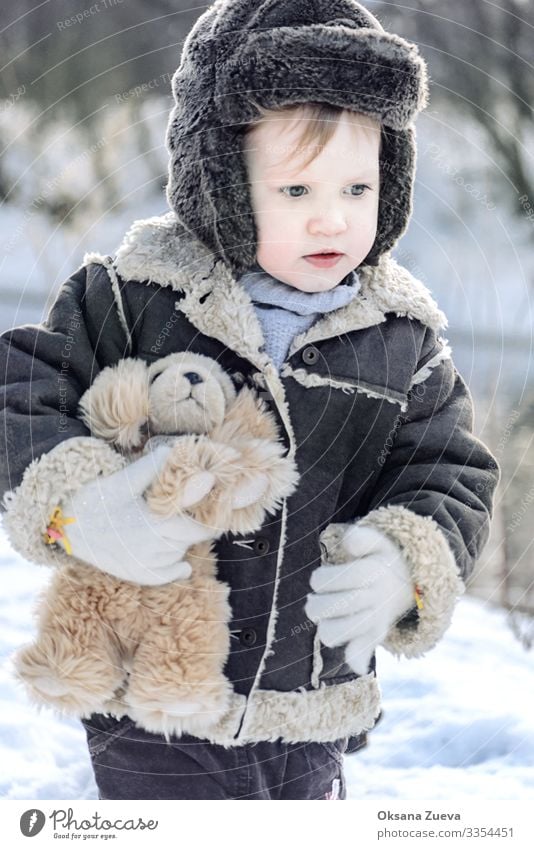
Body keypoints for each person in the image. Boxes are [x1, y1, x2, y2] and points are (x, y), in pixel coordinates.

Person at [0, 0, 499, 800]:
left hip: (310, 702)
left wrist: (407, 566)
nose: (332, 216)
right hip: (151, 696)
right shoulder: (136, 297)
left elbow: (449, 470)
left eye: (358, 185)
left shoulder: (402, 341)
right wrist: (78, 507)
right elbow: (24, 388)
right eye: (296, 188)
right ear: (222, 181)